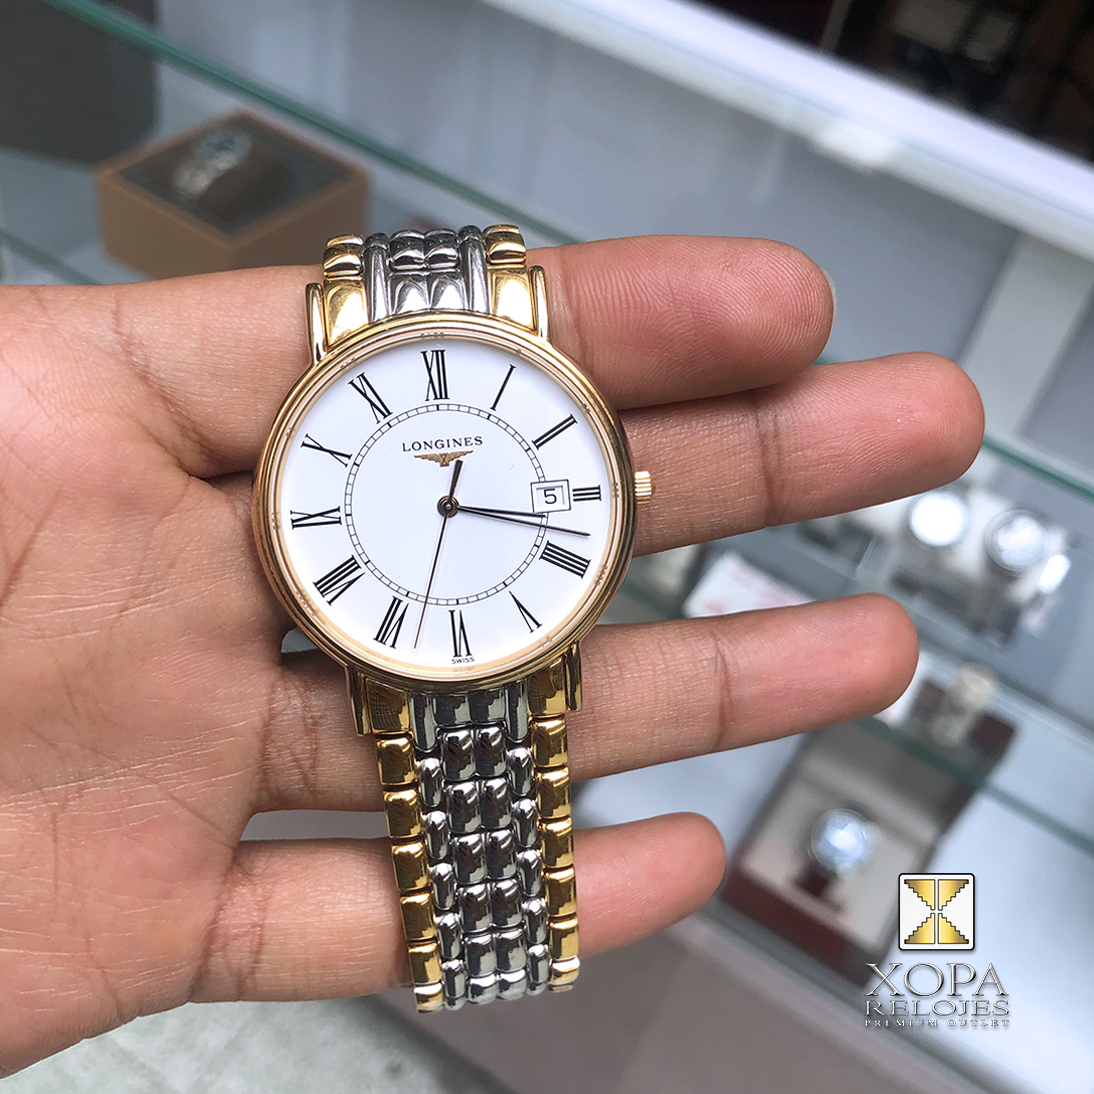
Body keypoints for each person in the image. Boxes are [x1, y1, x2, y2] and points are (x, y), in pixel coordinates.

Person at [0, 235, 982, 1073]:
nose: (447, 501)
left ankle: (491, 951)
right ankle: (490, 951)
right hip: (401, 668)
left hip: (494, 653)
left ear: (624, 491)